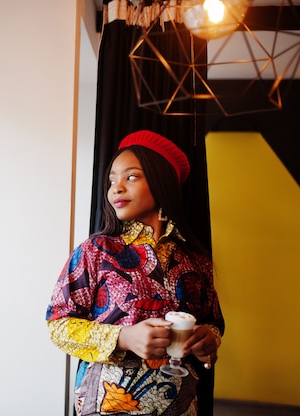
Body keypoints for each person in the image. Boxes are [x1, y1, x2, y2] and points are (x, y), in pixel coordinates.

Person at [45, 130, 224, 416]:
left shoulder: (196, 261)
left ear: (161, 181)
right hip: (106, 405)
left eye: (131, 177)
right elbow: (58, 325)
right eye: (112, 180)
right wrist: (124, 338)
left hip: (180, 406)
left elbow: (214, 323)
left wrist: (208, 338)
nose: (116, 188)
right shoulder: (95, 251)